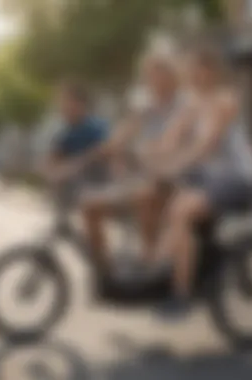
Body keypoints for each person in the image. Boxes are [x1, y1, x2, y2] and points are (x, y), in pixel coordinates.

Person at [149, 45, 252, 319]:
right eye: (190, 70)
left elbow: (207, 143)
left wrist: (176, 162)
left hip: (239, 178)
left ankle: (182, 295)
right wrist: (149, 154)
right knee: (168, 206)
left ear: (211, 71)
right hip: (212, 178)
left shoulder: (225, 100)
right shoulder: (192, 104)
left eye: (198, 69)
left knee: (181, 212)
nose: (193, 75)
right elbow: (172, 136)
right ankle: (169, 274)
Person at [82, 53, 185, 272]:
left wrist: (150, 153)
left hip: (178, 179)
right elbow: (126, 129)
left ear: (171, 76)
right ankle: (104, 271)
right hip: (148, 176)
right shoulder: (145, 105)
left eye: (157, 75)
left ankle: (151, 261)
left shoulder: (184, 105)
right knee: (90, 205)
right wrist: (101, 151)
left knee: (144, 195)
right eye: (148, 76)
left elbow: (177, 145)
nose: (152, 81)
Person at [42, 80, 109, 269]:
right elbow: (53, 157)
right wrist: (50, 171)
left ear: (80, 104)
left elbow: (102, 152)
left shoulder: (95, 126)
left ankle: (103, 267)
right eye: (60, 103)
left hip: (101, 183)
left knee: (92, 217)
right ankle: (99, 265)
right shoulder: (65, 131)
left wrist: (73, 166)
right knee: (75, 223)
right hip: (77, 188)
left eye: (66, 102)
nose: (62, 107)